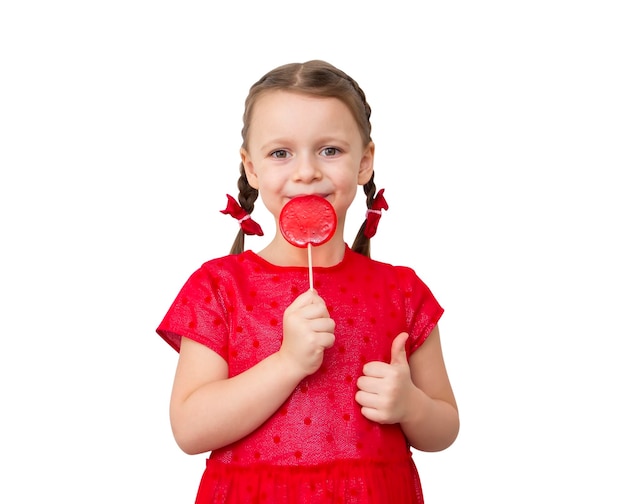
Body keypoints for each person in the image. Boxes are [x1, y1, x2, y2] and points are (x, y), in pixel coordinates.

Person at [156, 60, 459, 503]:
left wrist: (410, 406)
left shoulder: (402, 291)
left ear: (365, 162)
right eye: (281, 153)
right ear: (252, 168)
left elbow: (445, 427)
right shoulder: (219, 287)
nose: (306, 172)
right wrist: (288, 362)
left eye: (329, 150)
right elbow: (190, 429)